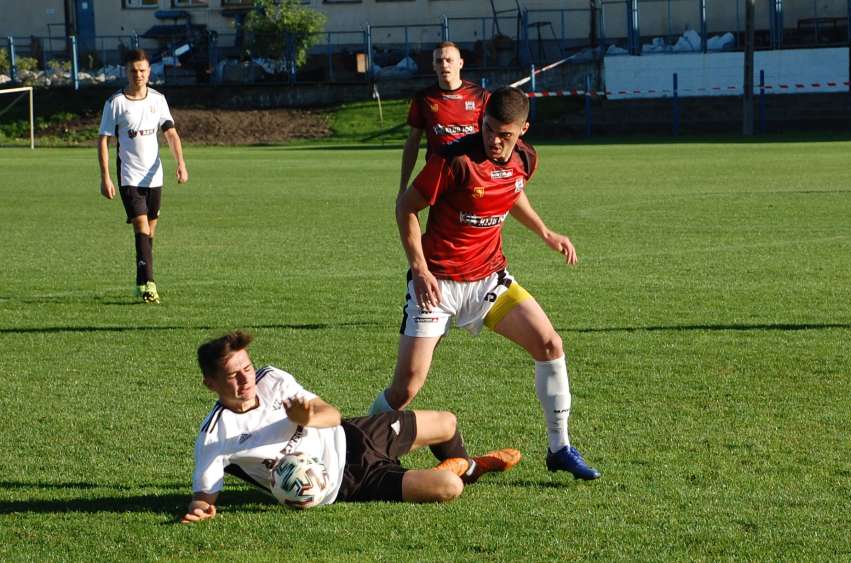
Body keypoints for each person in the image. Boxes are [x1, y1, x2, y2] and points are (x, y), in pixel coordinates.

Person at [369, 86, 601, 481]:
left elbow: (511, 193)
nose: (494, 140)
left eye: (505, 134)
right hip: (437, 284)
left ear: (523, 130)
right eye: (489, 129)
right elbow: (405, 207)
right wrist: (421, 270)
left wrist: (545, 232)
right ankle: (361, 447)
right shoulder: (453, 159)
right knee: (406, 387)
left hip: (488, 280)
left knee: (550, 344)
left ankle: (559, 447)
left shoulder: (525, 160)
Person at [181, 331, 520, 523]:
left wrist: (307, 417)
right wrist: (201, 510)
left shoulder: (271, 379)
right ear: (210, 384)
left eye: (246, 368)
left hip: (355, 434)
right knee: (448, 487)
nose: (246, 379)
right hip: (350, 482)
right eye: (233, 375)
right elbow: (203, 496)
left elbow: (331, 413)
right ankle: (461, 471)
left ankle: (473, 467)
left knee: (447, 423)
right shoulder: (215, 437)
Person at [97, 49, 188, 304]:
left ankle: (141, 280)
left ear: (149, 72)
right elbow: (103, 141)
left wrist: (181, 163)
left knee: (150, 233)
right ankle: (150, 285)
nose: (138, 75)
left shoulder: (158, 100)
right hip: (129, 176)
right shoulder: (115, 103)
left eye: (142, 70)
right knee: (141, 226)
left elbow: (170, 133)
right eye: (133, 71)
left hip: (154, 176)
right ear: (126, 73)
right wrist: (105, 177)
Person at [399, 41, 489, 194]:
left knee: (476, 218)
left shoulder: (480, 96)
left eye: (449, 60)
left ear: (460, 63)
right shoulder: (424, 98)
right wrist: (403, 186)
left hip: (473, 175)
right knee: (407, 208)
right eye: (439, 61)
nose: (444, 65)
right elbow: (412, 142)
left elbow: (492, 136)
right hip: (438, 175)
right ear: (434, 65)